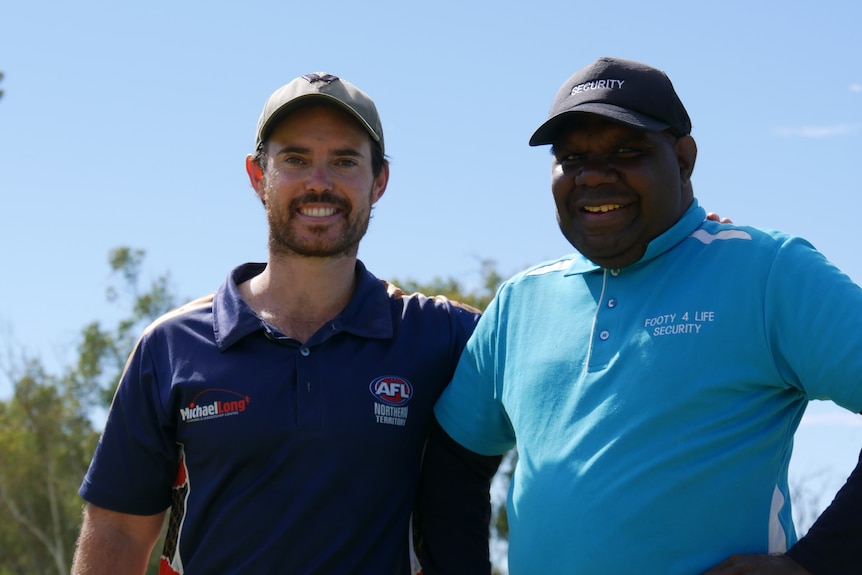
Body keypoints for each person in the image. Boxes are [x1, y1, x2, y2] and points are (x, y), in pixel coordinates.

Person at [432, 56, 862, 574]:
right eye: (570, 158)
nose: (592, 175)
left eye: (625, 151)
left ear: (683, 159)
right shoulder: (519, 304)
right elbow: (453, 466)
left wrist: (817, 563)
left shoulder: (768, 272)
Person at [72, 72, 499, 574]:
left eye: (344, 160)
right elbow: (119, 528)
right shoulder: (170, 347)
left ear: (379, 181)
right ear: (258, 176)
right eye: (295, 159)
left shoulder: (443, 336)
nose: (319, 182)